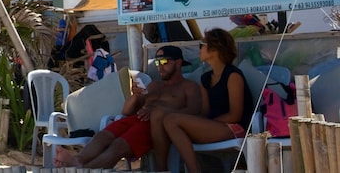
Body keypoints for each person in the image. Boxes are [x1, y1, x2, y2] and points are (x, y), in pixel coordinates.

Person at [54, 45, 202, 170]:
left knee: (119, 145)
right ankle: (79, 160)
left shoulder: (189, 87)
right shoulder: (155, 85)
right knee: (103, 136)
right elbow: (126, 111)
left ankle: (83, 169)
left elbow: (193, 112)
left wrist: (161, 111)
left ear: (178, 62)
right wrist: (135, 97)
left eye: (164, 61)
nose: (160, 67)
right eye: (157, 63)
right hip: (134, 119)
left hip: (156, 125)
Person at [163, 28, 254, 173]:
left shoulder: (233, 76)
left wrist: (205, 123)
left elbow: (235, 115)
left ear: (214, 50)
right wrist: (195, 122)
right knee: (169, 121)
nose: (200, 49)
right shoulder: (206, 78)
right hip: (215, 126)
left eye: (202, 44)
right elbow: (205, 112)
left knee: (172, 120)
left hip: (234, 128)